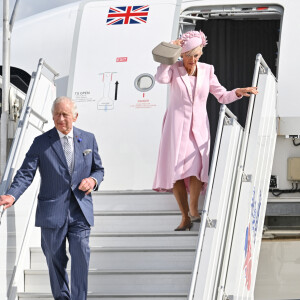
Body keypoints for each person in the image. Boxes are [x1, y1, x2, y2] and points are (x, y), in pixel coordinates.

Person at [0, 96, 104, 300]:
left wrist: (92, 180)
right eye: (56, 114)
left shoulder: (88, 139)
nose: (60, 118)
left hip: (80, 211)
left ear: (75, 116)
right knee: (54, 260)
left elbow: (98, 169)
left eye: (65, 114)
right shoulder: (41, 143)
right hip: (52, 213)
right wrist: (12, 195)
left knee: (81, 255)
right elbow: (25, 173)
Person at [152, 30, 258, 231]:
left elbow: (222, 95)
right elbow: (161, 78)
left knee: (196, 167)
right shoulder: (173, 69)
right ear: (181, 54)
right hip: (175, 126)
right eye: (189, 55)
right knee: (175, 172)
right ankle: (185, 217)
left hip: (199, 126)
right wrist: (169, 50)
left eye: (197, 55)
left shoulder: (207, 70)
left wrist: (238, 92)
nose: (193, 59)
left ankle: (193, 210)